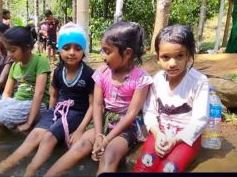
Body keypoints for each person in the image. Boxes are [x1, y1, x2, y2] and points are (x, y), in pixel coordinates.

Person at [45, 21, 152, 176]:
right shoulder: (101, 73)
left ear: (127, 53)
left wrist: (106, 140)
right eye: (102, 50)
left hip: (125, 126)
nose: (102, 56)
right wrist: (97, 136)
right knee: (80, 146)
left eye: (107, 52)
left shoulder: (141, 79)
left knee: (109, 156)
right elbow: (97, 105)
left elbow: (131, 114)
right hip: (102, 120)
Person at [0, 23, 94, 176]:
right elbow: (53, 95)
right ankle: (5, 164)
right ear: (59, 49)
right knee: (34, 135)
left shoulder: (89, 74)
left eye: (77, 49)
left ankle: (30, 170)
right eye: (66, 48)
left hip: (76, 112)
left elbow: (93, 105)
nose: (72, 53)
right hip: (57, 110)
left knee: (48, 137)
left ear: (83, 51)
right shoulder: (59, 71)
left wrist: (80, 129)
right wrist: (50, 116)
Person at [133, 25, 210, 172]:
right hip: (160, 133)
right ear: (158, 58)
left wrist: (175, 140)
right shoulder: (156, 80)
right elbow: (149, 111)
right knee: (144, 166)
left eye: (179, 56)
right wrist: (157, 133)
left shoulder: (199, 81)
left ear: (189, 55)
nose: (172, 63)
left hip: (186, 137)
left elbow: (199, 119)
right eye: (166, 57)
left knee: (168, 169)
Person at [0, 26, 51, 141]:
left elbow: (39, 94)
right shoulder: (15, 65)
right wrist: (3, 109)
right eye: (7, 50)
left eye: (13, 50)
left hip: (36, 104)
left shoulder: (40, 62)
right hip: (16, 101)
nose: (9, 54)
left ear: (27, 48)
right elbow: (6, 93)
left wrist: (29, 123)